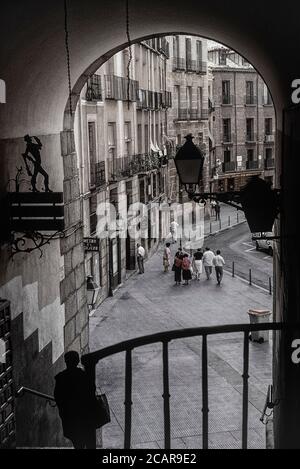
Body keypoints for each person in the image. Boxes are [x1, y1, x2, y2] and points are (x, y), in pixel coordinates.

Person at [54, 351, 96, 449]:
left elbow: (58, 397)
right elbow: (92, 391)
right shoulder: (84, 375)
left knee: (78, 444)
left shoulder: (61, 377)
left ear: (66, 361)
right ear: (77, 361)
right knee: (90, 443)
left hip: (71, 418)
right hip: (86, 417)